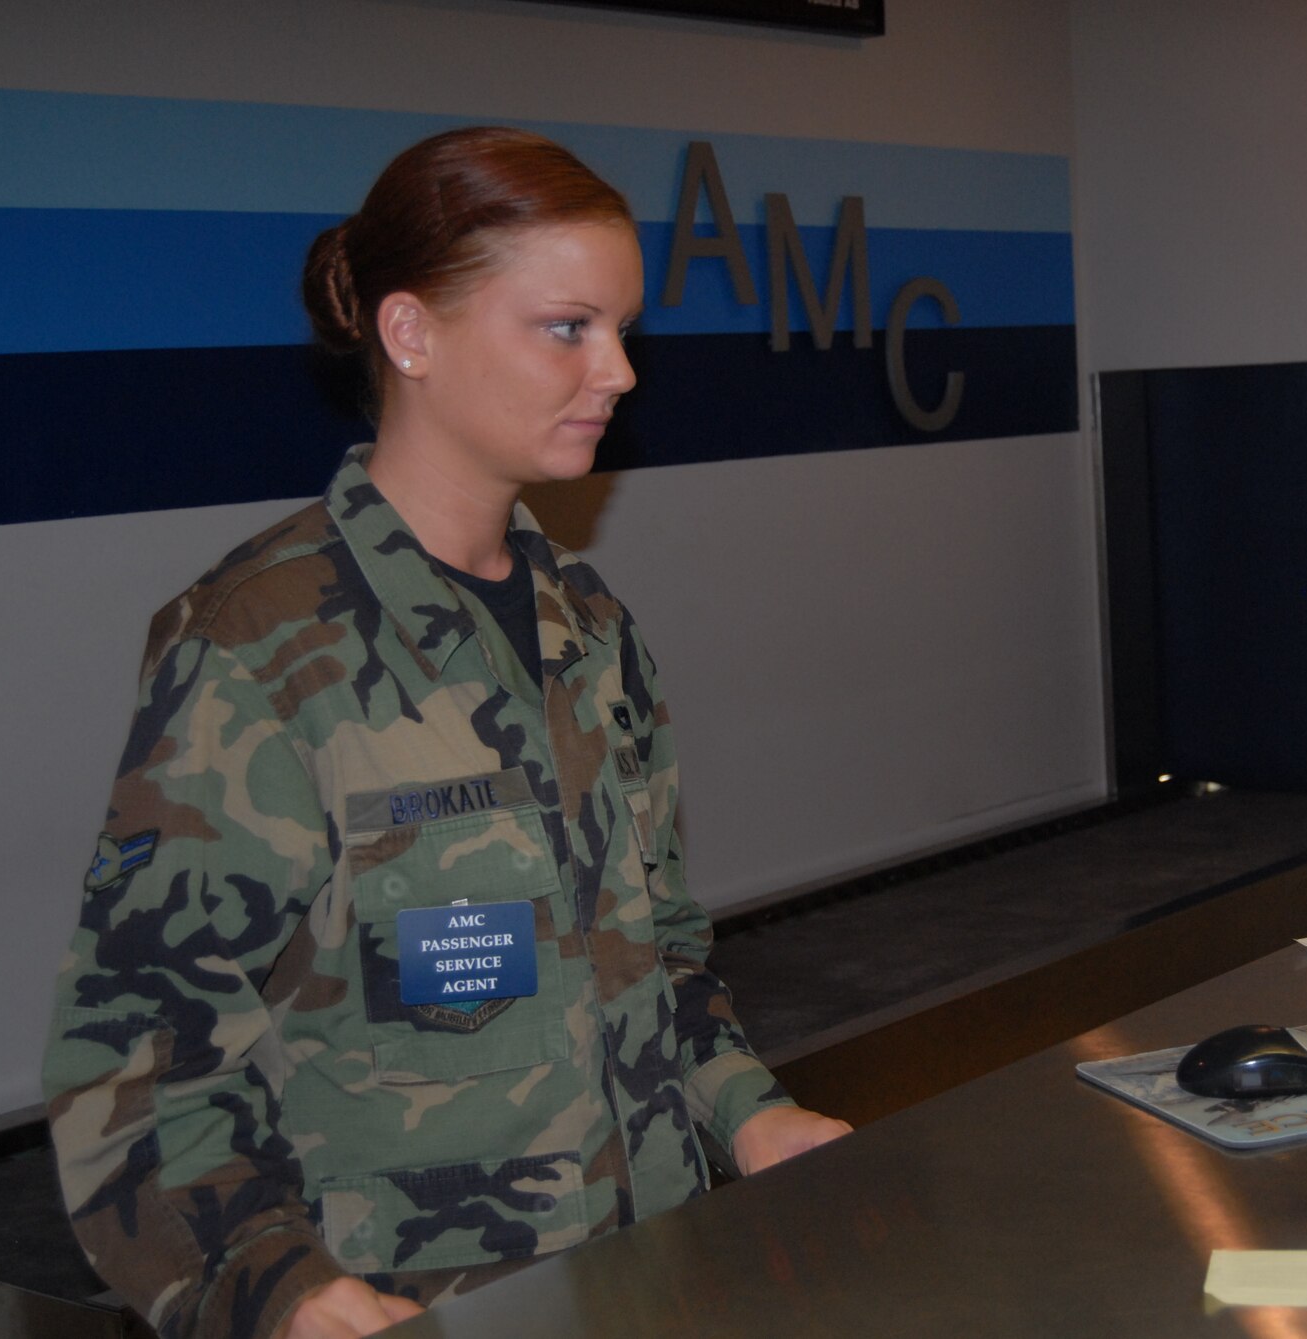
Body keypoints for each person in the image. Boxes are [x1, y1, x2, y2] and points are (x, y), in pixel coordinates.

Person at [42, 126, 851, 1339]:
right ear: (410, 333)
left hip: (662, 1275)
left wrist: (747, 1110)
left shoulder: (587, 627)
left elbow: (659, 954)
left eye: (623, 329)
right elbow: (142, 1057)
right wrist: (277, 1286)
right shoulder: (257, 647)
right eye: (569, 327)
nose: (620, 370)